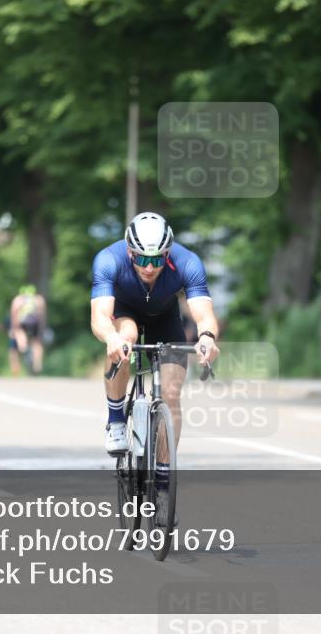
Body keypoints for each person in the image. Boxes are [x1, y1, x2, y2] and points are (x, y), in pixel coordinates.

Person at [90, 212, 220, 513]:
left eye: (158, 259)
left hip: (165, 318)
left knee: (171, 394)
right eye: (142, 259)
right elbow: (99, 315)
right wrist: (110, 337)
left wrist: (207, 337)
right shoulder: (109, 259)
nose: (149, 267)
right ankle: (116, 419)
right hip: (124, 315)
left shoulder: (188, 262)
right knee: (126, 338)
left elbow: (204, 315)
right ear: (129, 252)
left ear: (168, 253)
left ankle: (162, 483)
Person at [9, 284, 47, 375]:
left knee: (19, 332)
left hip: (23, 322)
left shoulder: (18, 299)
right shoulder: (39, 299)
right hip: (35, 323)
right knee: (37, 342)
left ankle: (24, 348)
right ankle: (37, 363)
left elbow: (14, 314)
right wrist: (42, 328)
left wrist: (14, 328)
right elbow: (42, 316)